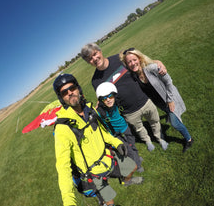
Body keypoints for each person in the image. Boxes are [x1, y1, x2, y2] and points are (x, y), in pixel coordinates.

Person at [53, 73, 143, 206]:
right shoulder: (63, 127)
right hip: (93, 173)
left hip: (107, 158)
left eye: (72, 88)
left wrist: (116, 142)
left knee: (133, 166)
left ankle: (126, 181)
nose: (70, 93)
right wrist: (68, 201)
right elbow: (63, 167)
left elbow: (102, 132)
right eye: (65, 92)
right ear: (61, 98)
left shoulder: (89, 110)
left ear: (78, 88)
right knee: (110, 202)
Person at [81, 43, 168, 152]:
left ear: (100, 51)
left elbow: (140, 61)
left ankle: (160, 138)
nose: (94, 58)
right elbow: (104, 98)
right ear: (88, 62)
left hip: (145, 100)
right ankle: (148, 141)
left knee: (155, 122)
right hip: (128, 112)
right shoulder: (95, 81)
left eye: (95, 54)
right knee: (139, 129)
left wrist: (157, 62)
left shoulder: (119, 58)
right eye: (90, 58)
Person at [120, 48, 194, 153]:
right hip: (160, 103)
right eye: (129, 62)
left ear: (139, 59)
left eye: (134, 60)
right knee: (173, 117)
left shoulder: (151, 68)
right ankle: (174, 121)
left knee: (175, 123)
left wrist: (170, 100)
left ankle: (189, 139)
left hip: (169, 97)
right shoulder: (134, 75)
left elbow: (168, 81)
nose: (132, 63)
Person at [96, 82, 144, 172]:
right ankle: (137, 165)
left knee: (132, 143)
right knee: (127, 149)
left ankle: (136, 157)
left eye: (110, 96)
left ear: (114, 95)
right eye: (104, 98)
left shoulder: (117, 102)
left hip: (124, 127)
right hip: (114, 133)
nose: (108, 100)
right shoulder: (100, 111)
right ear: (101, 100)